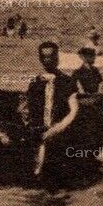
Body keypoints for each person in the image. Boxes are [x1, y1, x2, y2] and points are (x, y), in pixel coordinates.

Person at [21, 42, 81, 175]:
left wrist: (56, 129)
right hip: (38, 133)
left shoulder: (67, 81)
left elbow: (73, 111)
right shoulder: (35, 83)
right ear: (40, 59)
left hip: (60, 133)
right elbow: (26, 108)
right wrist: (30, 127)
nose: (47, 60)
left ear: (57, 57)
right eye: (44, 57)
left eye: (51, 56)